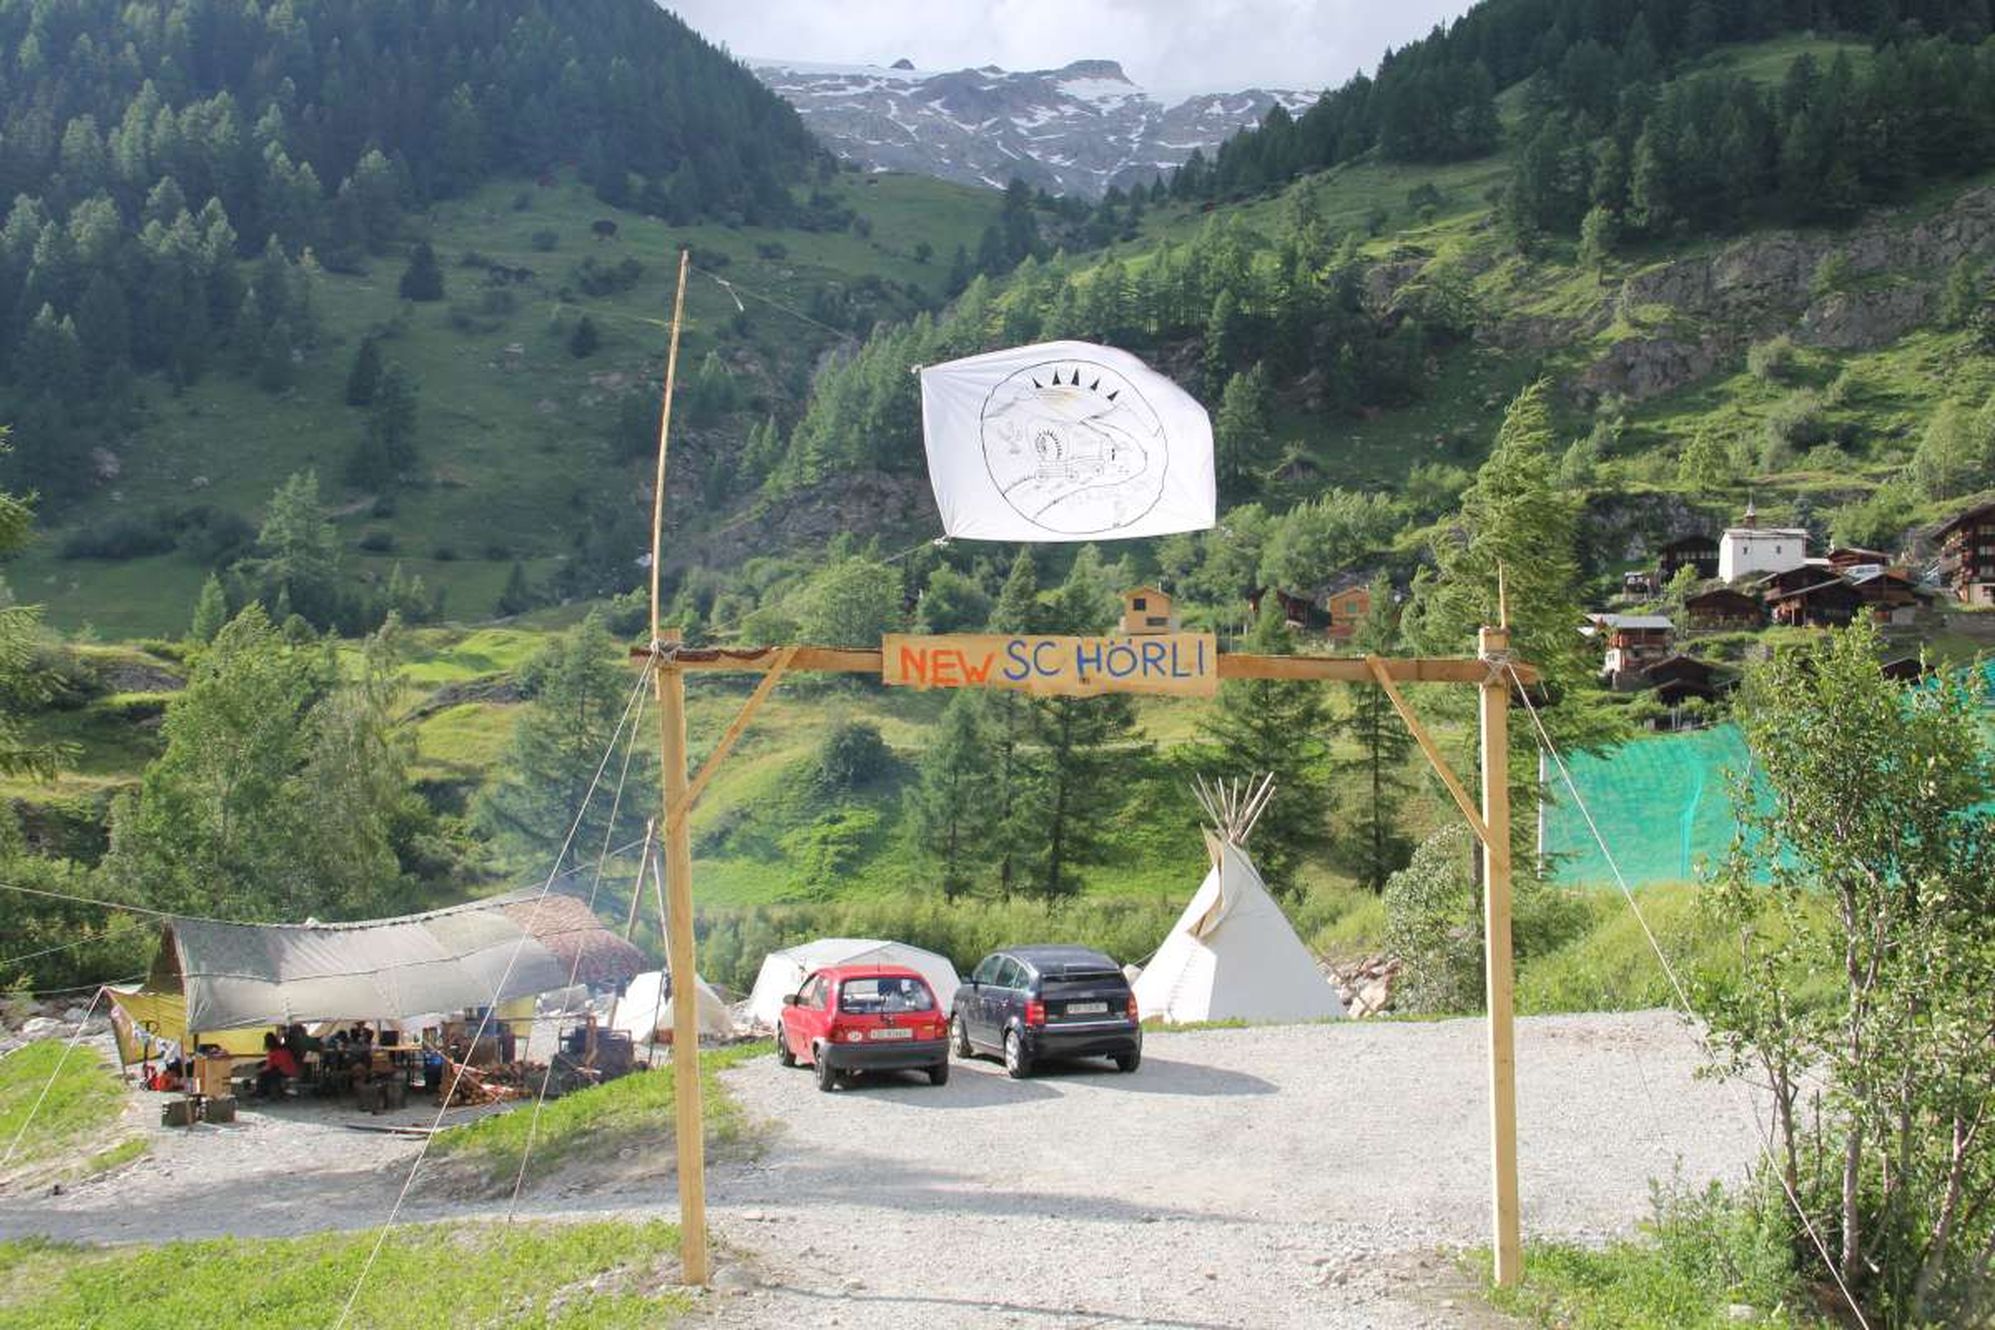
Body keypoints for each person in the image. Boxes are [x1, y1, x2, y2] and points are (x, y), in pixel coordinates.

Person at [256, 1031, 301, 1098]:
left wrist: (260, 1070)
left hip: (284, 1071)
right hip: (292, 1070)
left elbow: (269, 1066)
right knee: (270, 1072)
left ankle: (261, 1092)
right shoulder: (284, 1048)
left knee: (264, 1074)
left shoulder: (272, 1052)